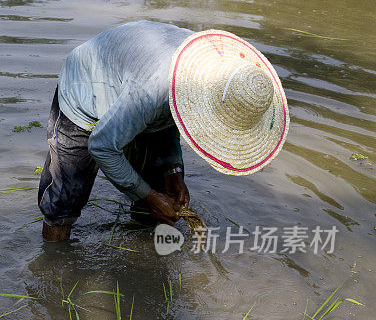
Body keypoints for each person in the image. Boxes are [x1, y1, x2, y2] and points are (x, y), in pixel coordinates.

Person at [38, 20, 289, 241]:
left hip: (143, 88)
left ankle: (144, 254)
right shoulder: (151, 91)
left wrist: (174, 169)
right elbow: (101, 147)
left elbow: (173, 115)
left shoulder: (213, 76)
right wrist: (147, 195)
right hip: (86, 87)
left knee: (161, 186)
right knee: (63, 203)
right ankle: (51, 264)